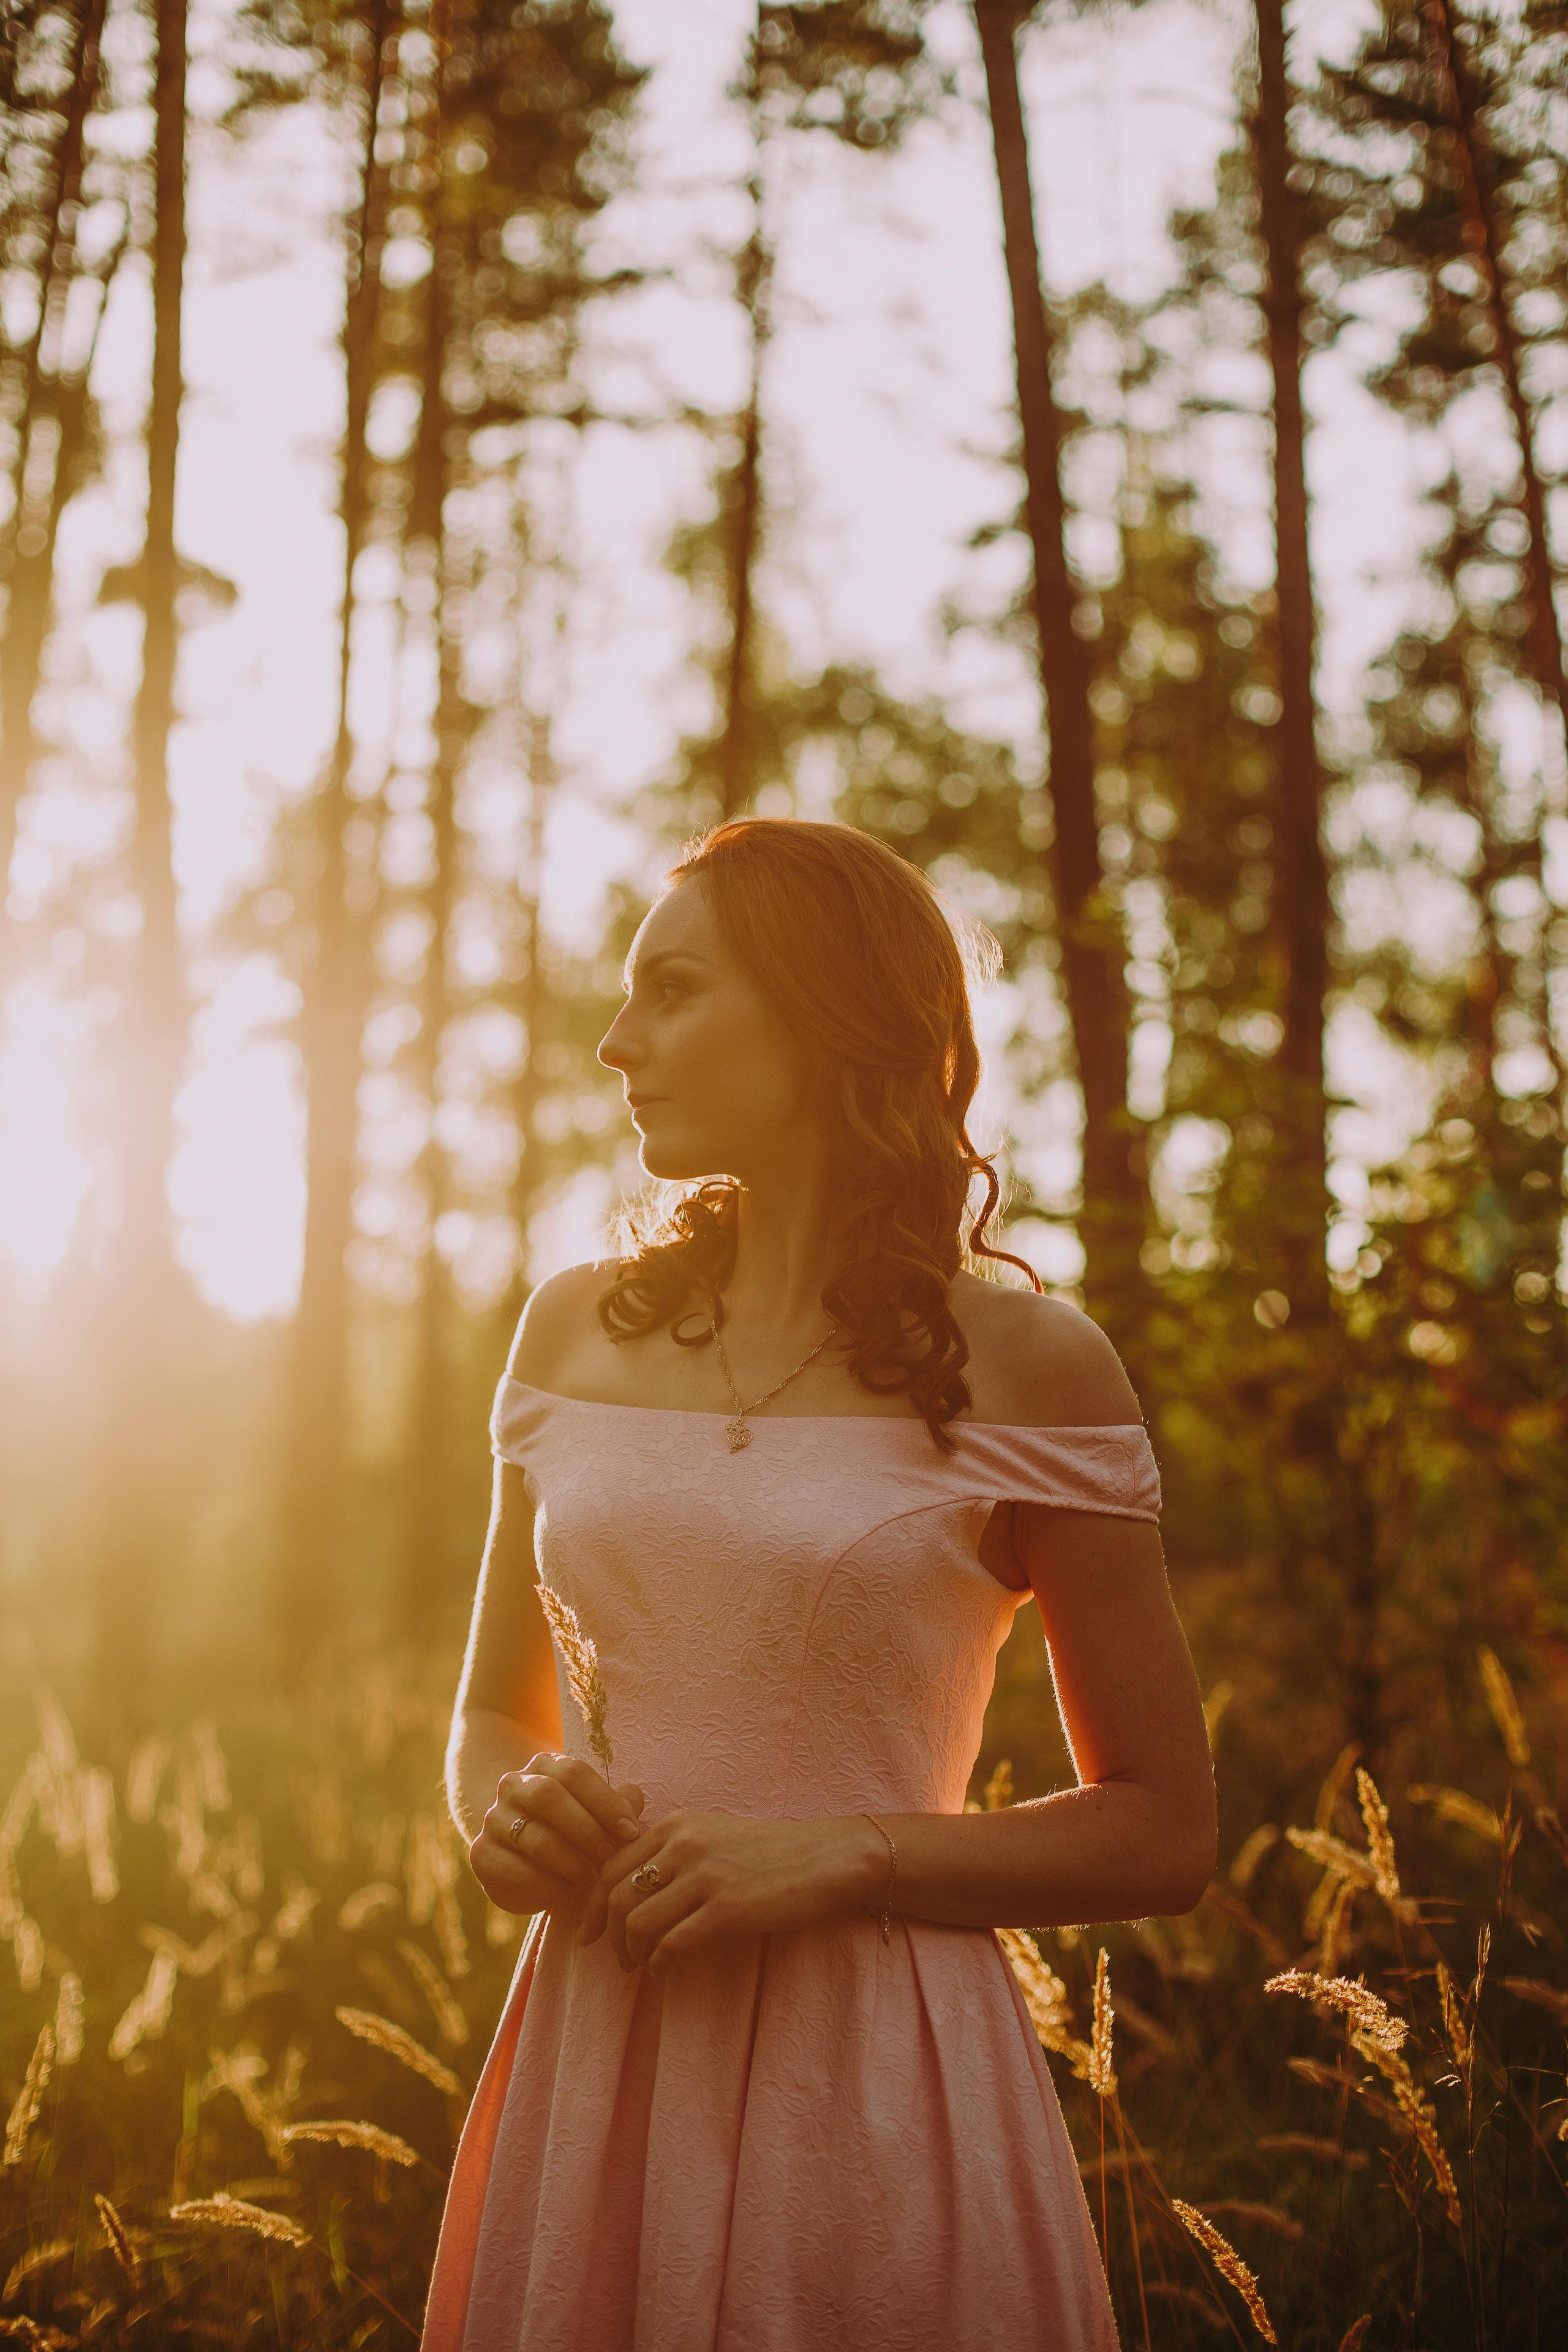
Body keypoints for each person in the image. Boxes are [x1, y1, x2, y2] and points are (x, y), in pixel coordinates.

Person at [421, 817, 1217, 2351]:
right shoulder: (568, 1333)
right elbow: (486, 1716)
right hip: (599, 2046)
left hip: (873, 2069)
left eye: (672, 990)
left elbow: (1162, 1827)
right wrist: (507, 1813)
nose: (613, 1040)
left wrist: (845, 1854)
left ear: (824, 1014)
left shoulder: (1032, 1366)